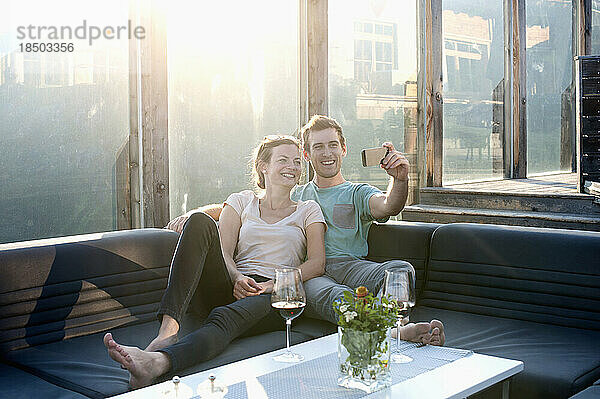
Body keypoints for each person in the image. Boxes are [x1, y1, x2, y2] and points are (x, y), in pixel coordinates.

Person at [103, 135, 327, 388]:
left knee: (225, 316)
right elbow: (224, 252)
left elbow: (317, 263)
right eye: (283, 160)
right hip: (232, 282)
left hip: (272, 296)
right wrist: (237, 277)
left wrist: (270, 285)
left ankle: (157, 363)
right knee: (199, 221)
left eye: (297, 162)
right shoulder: (242, 201)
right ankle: (168, 331)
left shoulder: (308, 209)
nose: (293, 167)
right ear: (263, 166)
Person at [293, 115, 444, 345]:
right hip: (315, 275)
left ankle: (396, 327)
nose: (327, 153)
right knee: (335, 295)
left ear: (343, 149)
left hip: (353, 267)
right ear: (306, 154)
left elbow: (388, 206)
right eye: (318, 147)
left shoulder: (357, 192)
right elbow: (255, 205)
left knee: (400, 270)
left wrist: (400, 179)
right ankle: (396, 332)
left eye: (333, 145)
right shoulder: (296, 195)